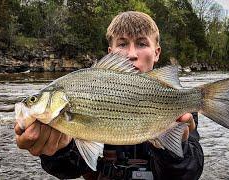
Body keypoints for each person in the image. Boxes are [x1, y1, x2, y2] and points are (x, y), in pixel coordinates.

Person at [14, 11, 204, 180]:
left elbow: (189, 173)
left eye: (141, 43)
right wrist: (56, 150)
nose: (131, 54)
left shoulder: (181, 105)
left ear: (157, 53)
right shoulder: (83, 93)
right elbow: (67, 169)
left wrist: (175, 144)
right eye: (122, 44)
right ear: (110, 53)